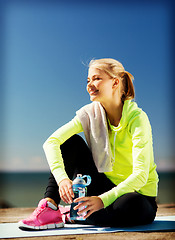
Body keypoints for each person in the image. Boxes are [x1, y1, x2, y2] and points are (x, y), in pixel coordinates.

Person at [18, 58, 159, 230]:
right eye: (88, 80)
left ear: (115, 82)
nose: (90, 85)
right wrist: (62, 179)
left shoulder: (137, 119)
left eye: (97, 78)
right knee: (70, 143)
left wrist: (101, 200)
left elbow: (140, 176)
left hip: (136, 194)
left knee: (131, 204)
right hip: (103, 184)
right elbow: (51, 142)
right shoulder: (90, 114)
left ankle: (76, 214)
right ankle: (51, 208)